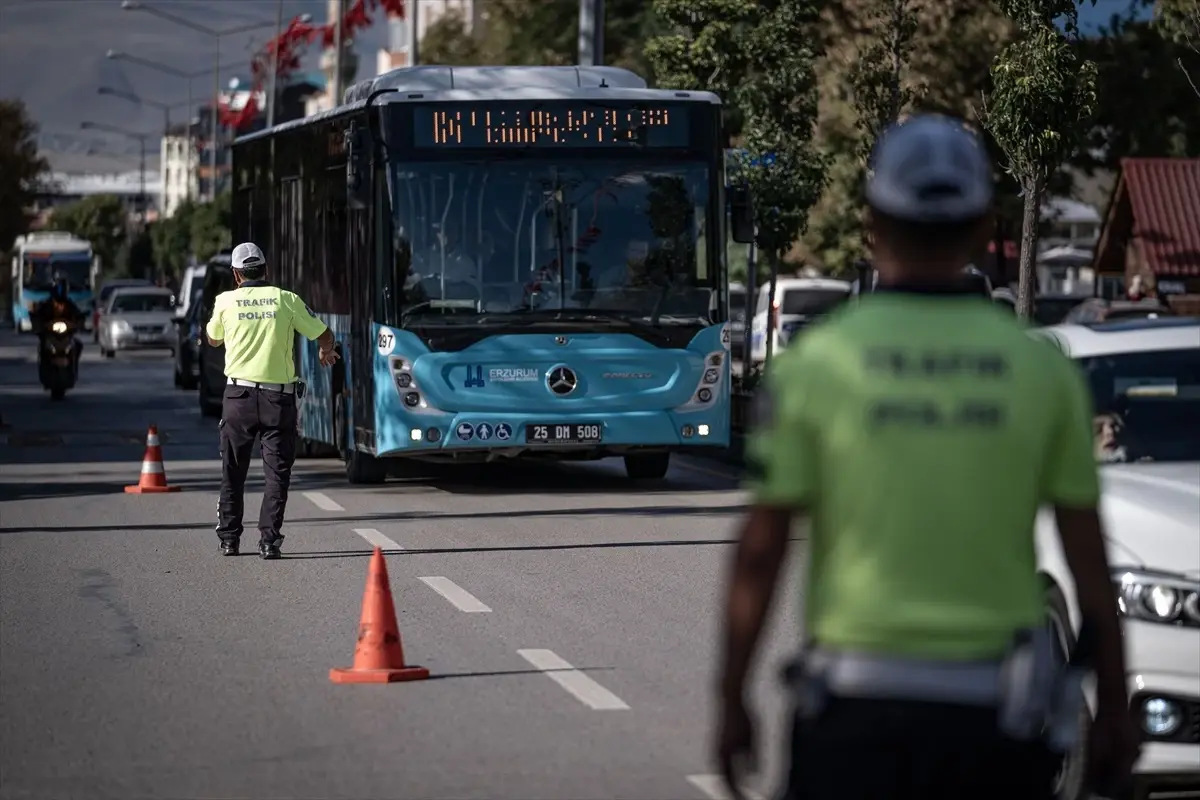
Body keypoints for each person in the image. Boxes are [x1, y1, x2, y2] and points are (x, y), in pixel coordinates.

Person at [716, 114, 1140, 800]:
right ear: (982, 228)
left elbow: (762, 550)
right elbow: (1089, 562)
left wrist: (731, 697)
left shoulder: (818, 365)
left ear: (873, 225)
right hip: (995, 727)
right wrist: (1114, 704)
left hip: (852, 714)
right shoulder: (1044, 374)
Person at [205, 242, 339, 560]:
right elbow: (324, 333)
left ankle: (229, 539)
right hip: (278, 399)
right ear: (266, 270)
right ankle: (269, 541)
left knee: (232, 469)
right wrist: (325, 350)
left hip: (237, 397)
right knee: (276, 473)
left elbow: (213, 338)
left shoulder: (225, 301)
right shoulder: (285, 299)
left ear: (236, 274)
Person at [30, 273, 85, 362]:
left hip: (66, 336)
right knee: (43, 347)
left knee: (78, 345)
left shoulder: (70, 305)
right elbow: (38, 314)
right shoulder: (47, 305)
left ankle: (73, 366)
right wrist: (38, 322)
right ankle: (44, 367)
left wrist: (79, 320)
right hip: (51, 335)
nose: (59, 306)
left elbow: (78, 314)